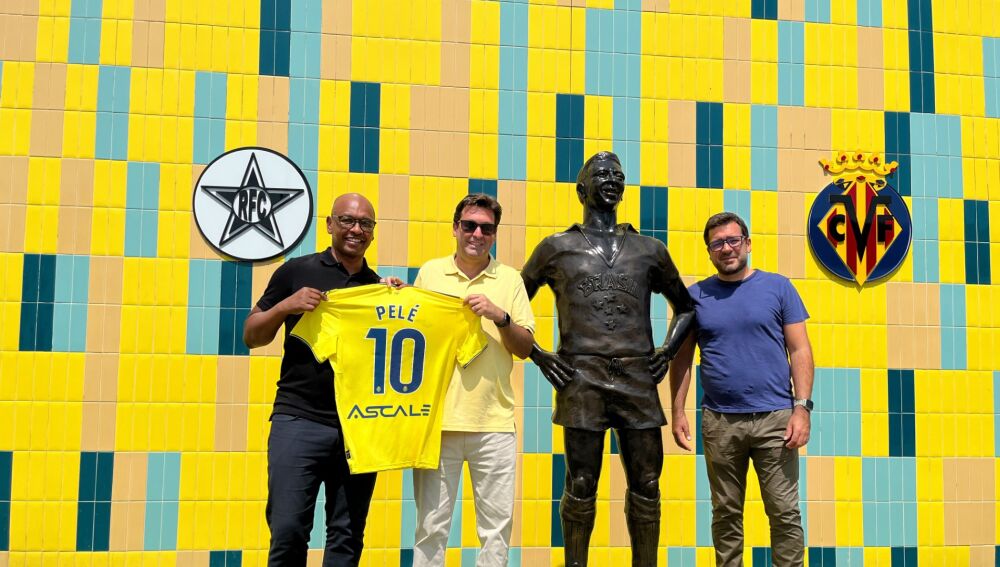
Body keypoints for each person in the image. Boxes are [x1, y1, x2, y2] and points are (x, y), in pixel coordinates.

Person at [520, 152, 695, 567]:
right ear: (581, 189)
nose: (612, 179)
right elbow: (512, 302)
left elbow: (687, 307)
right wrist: (539, 355)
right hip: (581, 378)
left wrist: (667, 351)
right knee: (581, 483)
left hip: (637, 378)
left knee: (647, 483)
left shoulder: (649, 249)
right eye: (601, 174)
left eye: (618, 174)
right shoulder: (556, 247)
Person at [243, 193, 400, 567]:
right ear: (329, 224)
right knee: (288, 530)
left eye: (365, 223)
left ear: (373, 232)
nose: (356, 229)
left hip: (359, 426)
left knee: (347, 535)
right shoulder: (296, 271)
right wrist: (286, 306)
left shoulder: (376, 287)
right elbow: (251, 335)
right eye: (347, 220)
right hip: (299, 418)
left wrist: (398, 299)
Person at [668, 212, 814, 567]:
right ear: (709, 251)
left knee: (784, 511)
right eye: (717, 243)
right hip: (720, 422)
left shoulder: (778, 288)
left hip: (776, 420)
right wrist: (677, 411)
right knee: (726, 513)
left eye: (733, 240)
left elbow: (800, 350)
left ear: (747, 244)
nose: (726, 248)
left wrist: (802, 408)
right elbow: (681, 359)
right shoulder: (694, 297)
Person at [411, 193, 535, 567]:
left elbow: (525, 348)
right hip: (437, 423)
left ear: (494, 235)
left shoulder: (510, 279)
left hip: (494, 425)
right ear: (455, 228)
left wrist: (501, 317)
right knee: (430, 528)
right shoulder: (430, 273)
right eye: (469, 225)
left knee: (496, 531)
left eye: (486, 229)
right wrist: (393, 293)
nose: (477, 234)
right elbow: (410, 333)